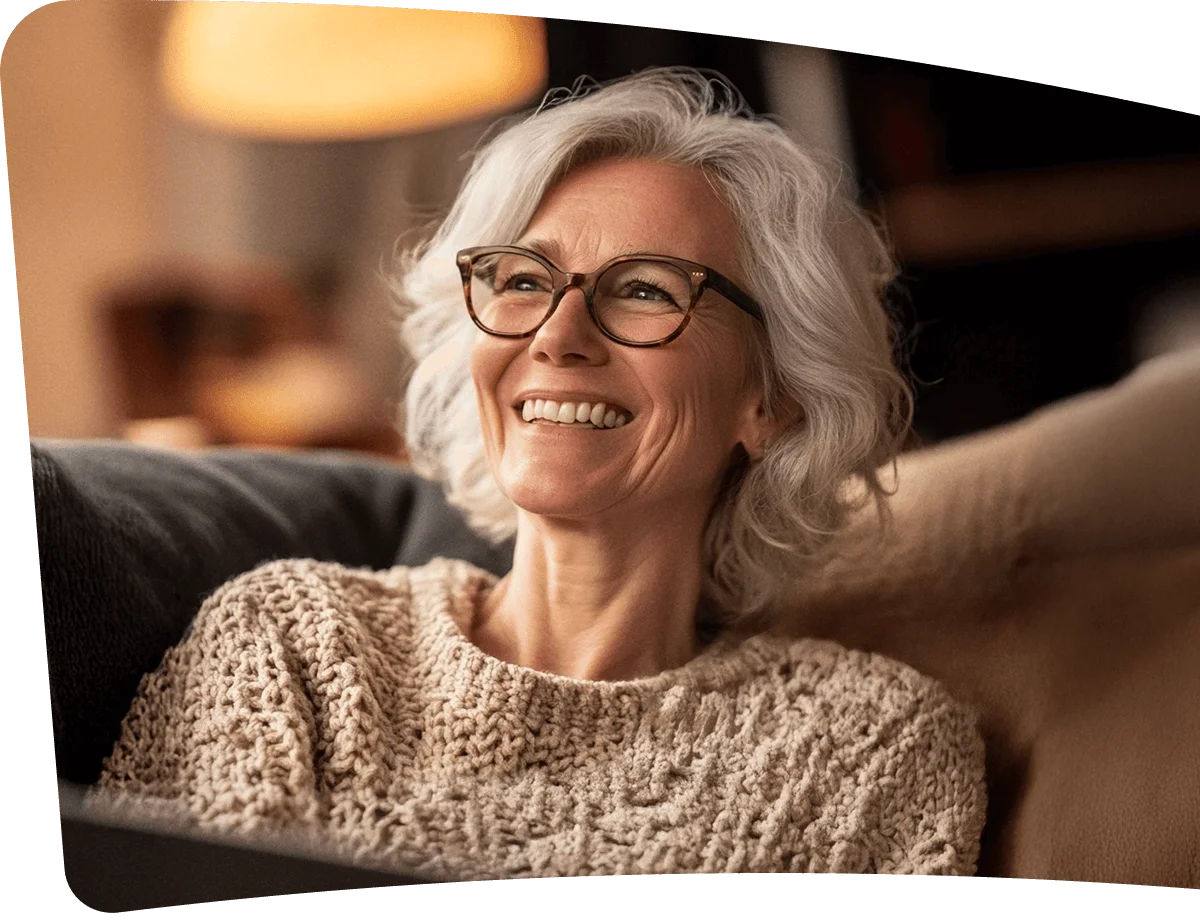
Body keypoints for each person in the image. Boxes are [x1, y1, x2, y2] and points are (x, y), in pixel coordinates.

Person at [96, 69, 986, 878]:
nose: (558, 334)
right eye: (524, 279)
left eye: (644, 289)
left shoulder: (870, 747)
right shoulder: (293, 646)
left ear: (771, 398)